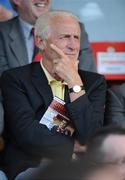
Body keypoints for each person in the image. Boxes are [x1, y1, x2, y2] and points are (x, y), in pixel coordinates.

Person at [0, 10, 106, 179]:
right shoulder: (15, 79)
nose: (73, 45)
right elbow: (27, 133)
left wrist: (74, 83)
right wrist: (74, 146)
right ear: (40, 41)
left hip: (79, 169)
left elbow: (90, 134)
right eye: (64, 37)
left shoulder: (94, 82)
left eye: (76, 37)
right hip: (30, 167)